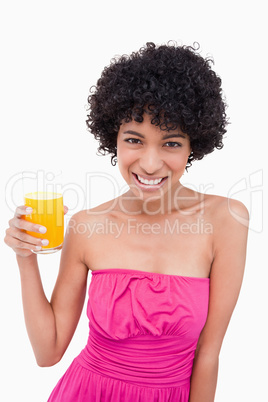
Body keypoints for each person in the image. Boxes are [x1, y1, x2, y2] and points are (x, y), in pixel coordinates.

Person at [4, 42, 249, 402]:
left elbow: (208, 354)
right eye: (134, 140)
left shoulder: (226, 220)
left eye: (171, 143)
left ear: (192, 146)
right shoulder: (86, 226)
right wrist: (25, 257)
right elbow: (48, 351)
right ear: (113, 140)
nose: (150, 164)